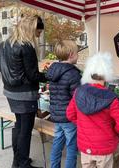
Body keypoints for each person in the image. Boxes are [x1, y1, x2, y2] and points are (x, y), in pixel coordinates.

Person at [66, 52, 119, 168]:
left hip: (85, 147)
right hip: (104, 147)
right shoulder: (110, 97)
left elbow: (70, 114)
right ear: (107, 75)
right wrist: (114, 131)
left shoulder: (79, 92)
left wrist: (81, 124)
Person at [0, 16, 46, 168]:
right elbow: (33, 75)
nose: (38, 36)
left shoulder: (5, 43)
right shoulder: (26, 46)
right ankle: (23, 163)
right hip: (25, 94)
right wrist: (50, 75)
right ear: (32, 29)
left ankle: (17, 161)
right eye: (38, 32)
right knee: (25, 130)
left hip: (10, 92)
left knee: (19, 126)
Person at [46, 40, 81, 168]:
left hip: (56, 114)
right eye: (77, 53)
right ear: (71, 54)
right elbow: (78, 97)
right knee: (72, 147)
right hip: (69, 117)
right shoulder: (73, 73)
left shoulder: (53, 70)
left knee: (57, 142)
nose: (78, 56)